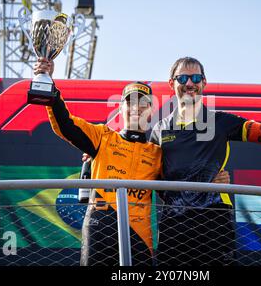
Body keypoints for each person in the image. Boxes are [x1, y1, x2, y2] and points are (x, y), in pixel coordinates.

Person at [34, 58, 230, 266]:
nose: (137, 108)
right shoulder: (102, 137)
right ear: (120, 108)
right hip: (101, 228)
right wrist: (49, 87)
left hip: (140, 237)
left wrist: (211, 182)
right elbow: (65, 124)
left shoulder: (157, 152)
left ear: (151, 110)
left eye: (143, 103)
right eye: (131, 102)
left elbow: (178, 188)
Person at [150, 56, 261, 266]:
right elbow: (148, 175)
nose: (189, 84)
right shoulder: (159, 130)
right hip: (173, 223)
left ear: (204, 82)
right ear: (171, 84)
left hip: (214, 219)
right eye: (182, 78)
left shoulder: (221, 121)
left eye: (195, 77)